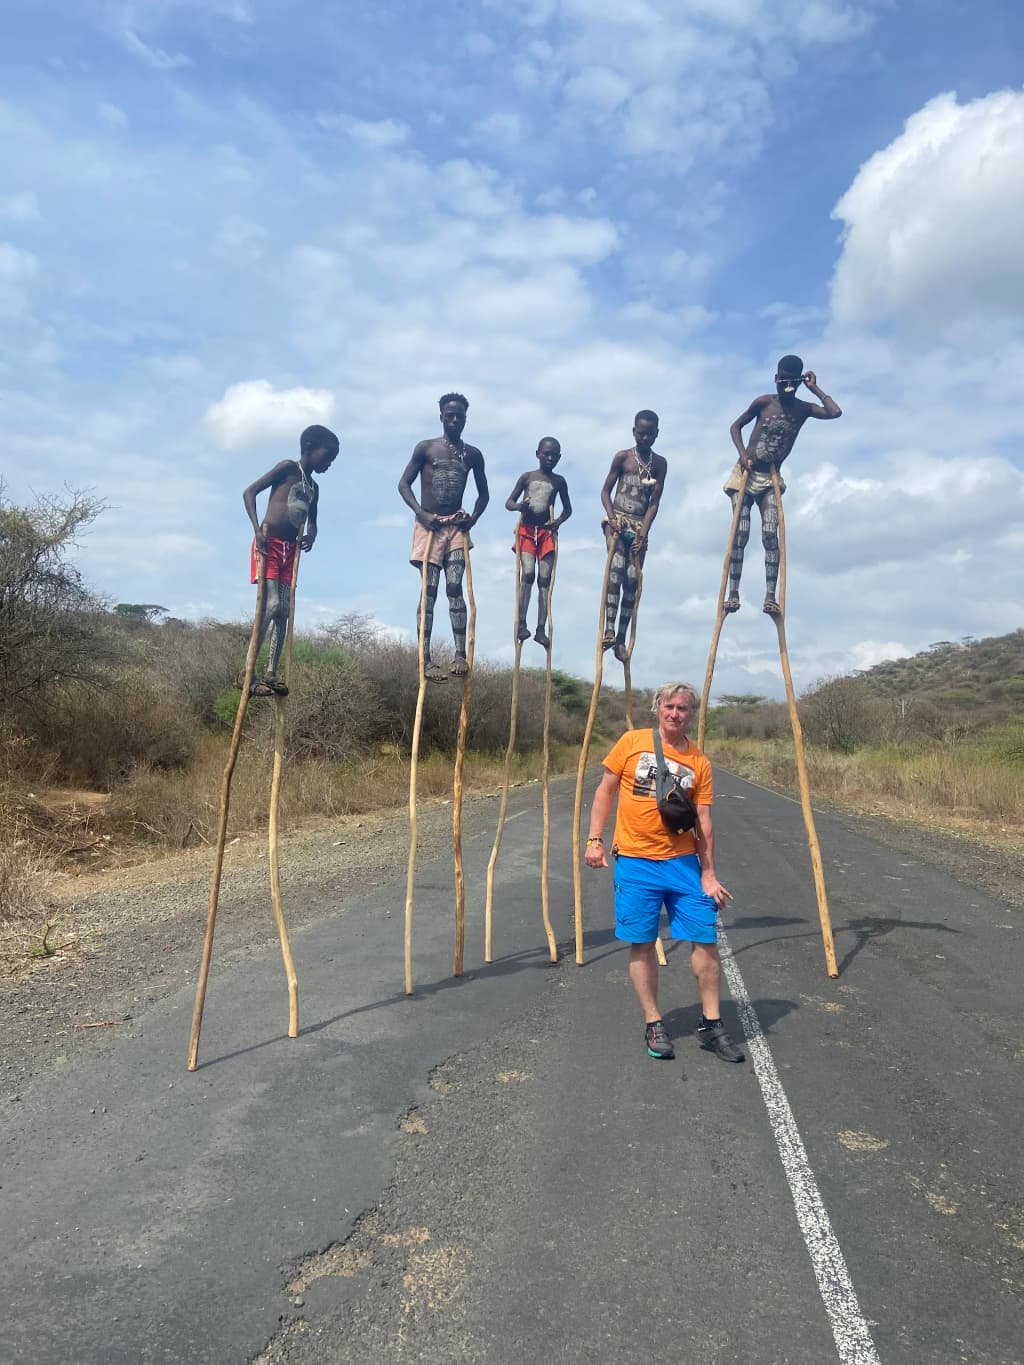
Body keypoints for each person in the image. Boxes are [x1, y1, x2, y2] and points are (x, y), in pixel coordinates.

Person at [584, 682, 744, 1063]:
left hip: (683, 864)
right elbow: (605, 791)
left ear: (692, 714)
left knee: (704, 939)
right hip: (636, 861)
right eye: (669, 706)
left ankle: (711, 1022)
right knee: (642, 942)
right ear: (657, 709)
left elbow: (703, 820)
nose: (676, 713)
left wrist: (708, 873)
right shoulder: (632, 742)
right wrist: (594, 840)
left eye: (684, 708)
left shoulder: (699, 763)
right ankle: (654, 1021)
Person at [723, 355, 842, 616]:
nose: (784, 386)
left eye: (791, 382)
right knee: (740, 532)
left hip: (771, 479)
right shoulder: (764, 402)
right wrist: (743, 454)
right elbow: (735, 426)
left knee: (769, 533)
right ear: (776, 379)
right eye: (781, 381)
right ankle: (732, 592)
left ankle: (770, 596)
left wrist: (815, 388)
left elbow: (835, 413)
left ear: (797, 383)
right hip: (745, 474)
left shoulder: (803, 409)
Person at [240, 424, 339, 697]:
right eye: (327, 456)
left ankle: (271, 672)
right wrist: (256, 530)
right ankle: (247, 671)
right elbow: (249, 493)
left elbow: (314, 523)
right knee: (271, 605)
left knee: (284, 610)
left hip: (290, 551)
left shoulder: (314, 487)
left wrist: (312, 536)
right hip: (268, 543)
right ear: (310, 449)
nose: (329, 463)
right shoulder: (286, 468)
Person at [398, 392, 489, 682]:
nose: (454, 420)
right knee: (430, 591)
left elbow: (484, 494)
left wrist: (471, 519)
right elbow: (403, 485)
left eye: (459, 416)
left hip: (456, 529)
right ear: (441, 417)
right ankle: (425, 660)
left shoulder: (472, 454)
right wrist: (421, 513)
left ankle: (460, 655)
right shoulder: (426, 448)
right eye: (449, 416)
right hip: (430, 527)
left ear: (465, 418)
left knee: (454, 587)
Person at [599, 410, 667, 662]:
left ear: (657, 434)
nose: (645, 438)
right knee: (616, 572)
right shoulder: (623, 457)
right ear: (634, 432)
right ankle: (607, 629)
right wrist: (612, 518)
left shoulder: (659, 464)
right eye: (641, 433)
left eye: (650, 434)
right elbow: (606, 491)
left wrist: (643, 534)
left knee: (632, 579)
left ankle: (620, 638)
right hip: (616, 520)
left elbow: (653, 503)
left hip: (640, 527)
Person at [504, 437, 572, 649]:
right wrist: (519, 508)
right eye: (546, 454)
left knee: (545, 580)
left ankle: (541, 629)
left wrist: (557, 522)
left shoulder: (559, 482)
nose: (550, 458)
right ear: (538, 454)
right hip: (526, 531)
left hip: (545, 533)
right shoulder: (527, 477)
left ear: (559, 458)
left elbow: (568, 509)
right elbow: (508, 502)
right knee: (528, 575)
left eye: (554, 455)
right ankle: (522, 624)